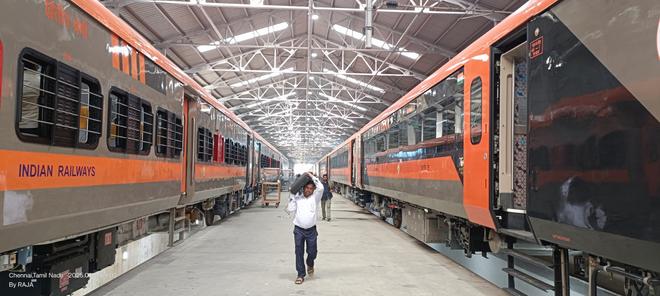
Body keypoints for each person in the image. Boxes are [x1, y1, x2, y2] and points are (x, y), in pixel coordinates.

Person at [285, 172, 324, 285]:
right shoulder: (298, 198)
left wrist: (311, 176)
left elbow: (321, 188)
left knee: (312, 252)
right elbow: (290, 210)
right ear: (303, 188)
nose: (308, 190)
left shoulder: (315, 198)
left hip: (311, 231)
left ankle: (310, 263)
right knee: (299, 252)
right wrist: (292, 195)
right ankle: (300, 274)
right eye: (307, 188)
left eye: (311, 188)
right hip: (299, 230)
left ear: (313, 190)